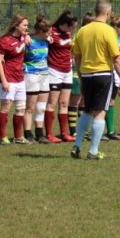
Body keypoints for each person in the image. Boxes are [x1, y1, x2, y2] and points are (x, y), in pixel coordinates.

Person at [70, 0, 120, 160]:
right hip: (103, 75)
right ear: (108, 13)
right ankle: (93, 151)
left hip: (86, 75)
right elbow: (117, 58)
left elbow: (77, 57)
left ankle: (77, 145)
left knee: (87, 110)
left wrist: (81, 76)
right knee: (100, 112)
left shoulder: (82, 31)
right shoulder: (109, 31)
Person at [0, 14, 30, 145]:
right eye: (25, 25)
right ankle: (3, 137)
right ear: (16, 25)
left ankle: (18, 137)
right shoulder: (4, 41)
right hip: (8, 78)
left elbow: (34, 34)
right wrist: (3, 80)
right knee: (6, 107)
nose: (27, 28)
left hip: (20, 78)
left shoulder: (23, 37)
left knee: (21, 108)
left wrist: (27, 36)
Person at [45, 9, 78, 143]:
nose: (74, 28)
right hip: (54, 70)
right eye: (72, 26)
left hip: (67, 71)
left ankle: (64, 133)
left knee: (64, 103)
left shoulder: (69, 33)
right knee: (52, 103)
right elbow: (36, 36)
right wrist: (41, 37)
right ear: (65, 23)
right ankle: (49, 134)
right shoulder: (51, 31)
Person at [23, 14, 52, 144]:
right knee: (30, 107)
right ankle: (27, 133)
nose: (50, 34)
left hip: (44, 75)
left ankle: (40, 134)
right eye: (48, 32)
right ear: (41, 31)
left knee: (41, 107)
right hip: (31, 75)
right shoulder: (28, 41)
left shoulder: (46, 40)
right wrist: (25, 35)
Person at [67, 12, 96, 137]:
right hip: (77, 72)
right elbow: (73, 55)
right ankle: (73, 130)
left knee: (85, 103)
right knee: (75, 101)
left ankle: (83, 129)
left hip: (90, 72)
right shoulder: (78, 36)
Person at [105, 16, 120, 140]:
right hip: (107, 70)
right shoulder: (110, 37)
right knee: (104, 102)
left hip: (115, 71)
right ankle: (100, 131)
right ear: (116, 28)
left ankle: (111, 131)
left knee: (112, 100)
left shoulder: (118, 38)